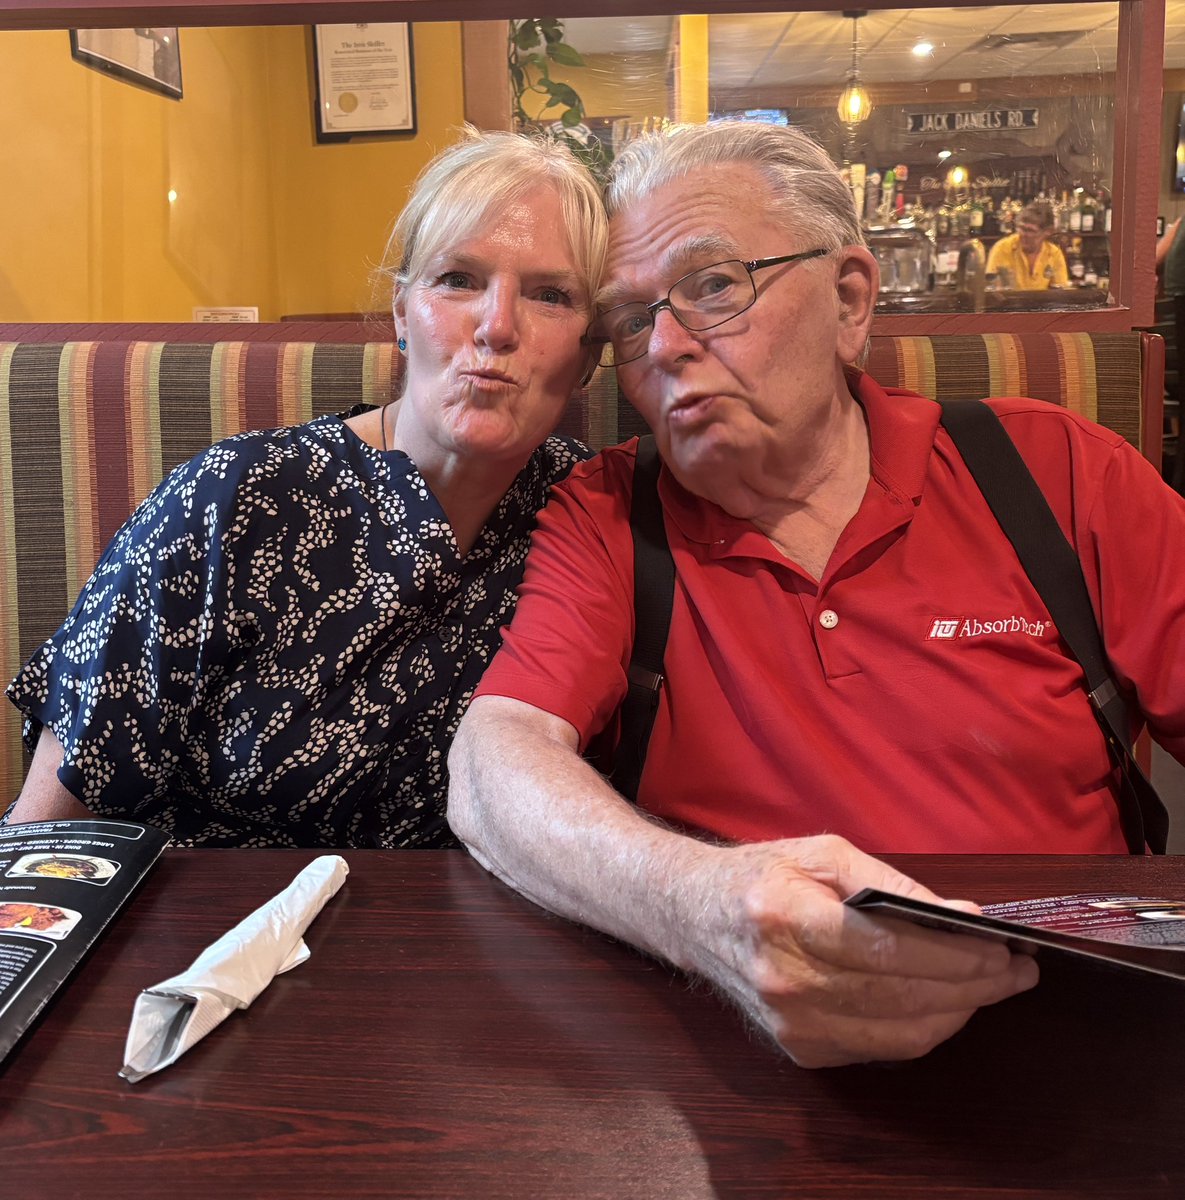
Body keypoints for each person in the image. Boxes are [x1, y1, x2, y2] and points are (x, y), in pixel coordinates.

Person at [447, 120, 1185, 1068]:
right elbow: (492, 761)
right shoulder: (607, 515)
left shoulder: (1053, 471)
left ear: (848, 300)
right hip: (728, 1046)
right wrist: (703, 907)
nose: (664, 345)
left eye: (713, 285)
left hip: (1073, 1032)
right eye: (628, 320)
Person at [4, 127, 606, 848]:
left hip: (444, 946)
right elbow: (47, 831)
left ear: (589, 355)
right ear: (401, 316)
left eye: (549, 295)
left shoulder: (589, 516)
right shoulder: (236, 498)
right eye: (458, 280)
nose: (497, 325)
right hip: (182, 929)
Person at [985, 202, 1069, 289]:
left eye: (1030, 230)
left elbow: (1060, 293)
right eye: (1021, 228)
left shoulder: (1054, 253)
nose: (1023, 234)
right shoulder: (1002, 248)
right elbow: (993, 291)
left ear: (1047, 232)